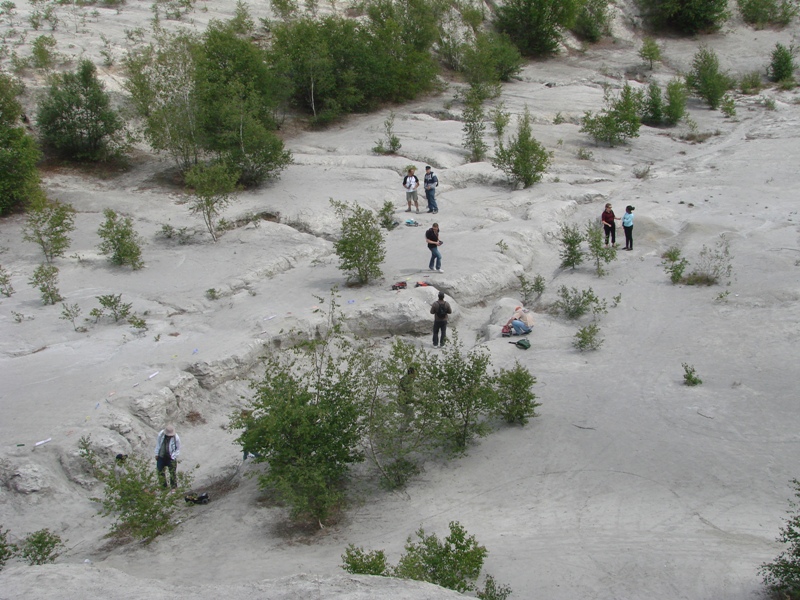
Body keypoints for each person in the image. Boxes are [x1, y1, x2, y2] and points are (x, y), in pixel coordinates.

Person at [154, 425, 181, 489]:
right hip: (161, 456)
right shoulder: (161, 435)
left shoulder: (176, 438)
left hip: (171, 458)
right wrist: (157, 454)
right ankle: (163, 487)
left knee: (172, 473)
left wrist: (173, 456)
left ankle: (174, 487)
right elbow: (158, 444)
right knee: (160, 471)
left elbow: (178, 449)